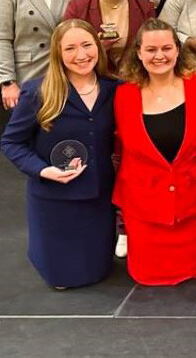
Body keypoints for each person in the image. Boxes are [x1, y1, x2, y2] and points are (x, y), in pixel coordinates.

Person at [0, 19, 118, 288]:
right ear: (58, 53)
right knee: (63, 277)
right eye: (70, 48)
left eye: (87, 45)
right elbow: (11, 143)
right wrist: (43, 170)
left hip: (99, 200)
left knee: (99, 271)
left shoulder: (114, 90)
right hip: (54, 201)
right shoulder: (37, 92)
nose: (81, 55)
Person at [113, 19, 196, 285]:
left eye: (166, 48)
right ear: (138, 52)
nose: (159, 56)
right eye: (150, 49)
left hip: (194, 203)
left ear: (177, 50)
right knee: (145, 274)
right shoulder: (123, 95)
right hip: (144, 206)